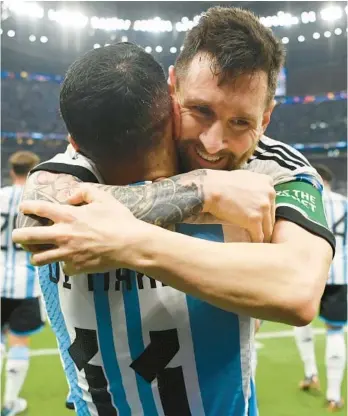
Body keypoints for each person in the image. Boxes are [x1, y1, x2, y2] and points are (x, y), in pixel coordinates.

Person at [14, 7, 334, 415]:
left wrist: (131, 242)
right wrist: (201, 189)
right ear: (171, 89)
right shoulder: (116, 146)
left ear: (266, 118)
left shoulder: (278, 171)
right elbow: (35, 216)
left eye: (241, 122)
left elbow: (298, 291)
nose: (214, 143)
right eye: (200, 111)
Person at [294, 165, 347, 411]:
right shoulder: (344, 204)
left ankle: (310, 373)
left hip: (307, 272)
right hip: (339, 275)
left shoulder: (304, 200)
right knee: (335, 331)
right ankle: (334, 395)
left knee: (300, 321)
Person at [0, 151, 45, 416]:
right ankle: (9, 403)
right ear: (33, 171)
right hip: (26, 282)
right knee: (19, 342)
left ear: (11, 169)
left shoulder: (0, 196)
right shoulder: (37, 201)